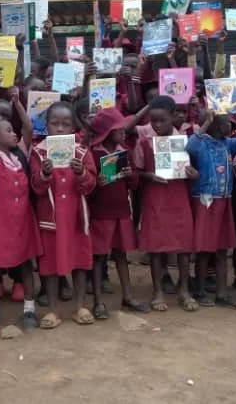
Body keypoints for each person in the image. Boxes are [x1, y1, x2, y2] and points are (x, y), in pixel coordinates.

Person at [0, 93, 40, 332]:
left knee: (25, 266)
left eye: (14, 130)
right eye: (8, 131)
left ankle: (29, 310)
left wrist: (16, 101)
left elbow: (29, 128)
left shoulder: (20, 155)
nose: (14, 134)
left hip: (22, 221)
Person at [30, 102, 98, 328]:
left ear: (73, 127)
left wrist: (81, 173)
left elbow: (91, 185)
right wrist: (44, 174)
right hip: (51, 218)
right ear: (46, 125)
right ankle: (52, 310)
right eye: (55, 123)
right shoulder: (39, 152)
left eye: (65, 124)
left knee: (79, 261)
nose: (60, 128)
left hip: (77, 217)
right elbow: (36, 188)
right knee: (49, 265)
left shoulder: (81, 152)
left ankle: (80, 305)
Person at [134, 96, 195, 312]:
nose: (157, 125)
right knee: (156, 248)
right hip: (155, 198)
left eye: (162, 120)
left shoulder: (186, 141)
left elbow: (195, 171)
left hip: (179, 198)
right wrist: (149, 176)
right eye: (153, 121)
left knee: (184, 247)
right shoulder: (144, 143)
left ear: (173, 117)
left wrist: (193, 174)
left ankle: (184, 290)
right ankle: (158, 290)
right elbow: (137, 171)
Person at [87, 108, 149, 316]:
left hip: (122, 211)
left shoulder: (124, 152)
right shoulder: (94, 154)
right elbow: (88, 188)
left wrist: (131, 175)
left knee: (121, 254)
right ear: (106, 132)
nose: (123, 131)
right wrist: (97, 183)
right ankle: (97, 301)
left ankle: (128, 296)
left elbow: (133, 185)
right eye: (118, 129)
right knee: (99, 257)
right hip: (101, 213)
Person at [186, 112, 236, 309]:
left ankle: (221, 292)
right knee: (204, 249)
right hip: (205, 201)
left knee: (221, 249)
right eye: (225, 121)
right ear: (215, 125)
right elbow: (190, 147)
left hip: (224, 201)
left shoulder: (227, 143)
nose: (229, 124)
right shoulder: (202, 143)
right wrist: (206, 123)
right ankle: (200, 289)